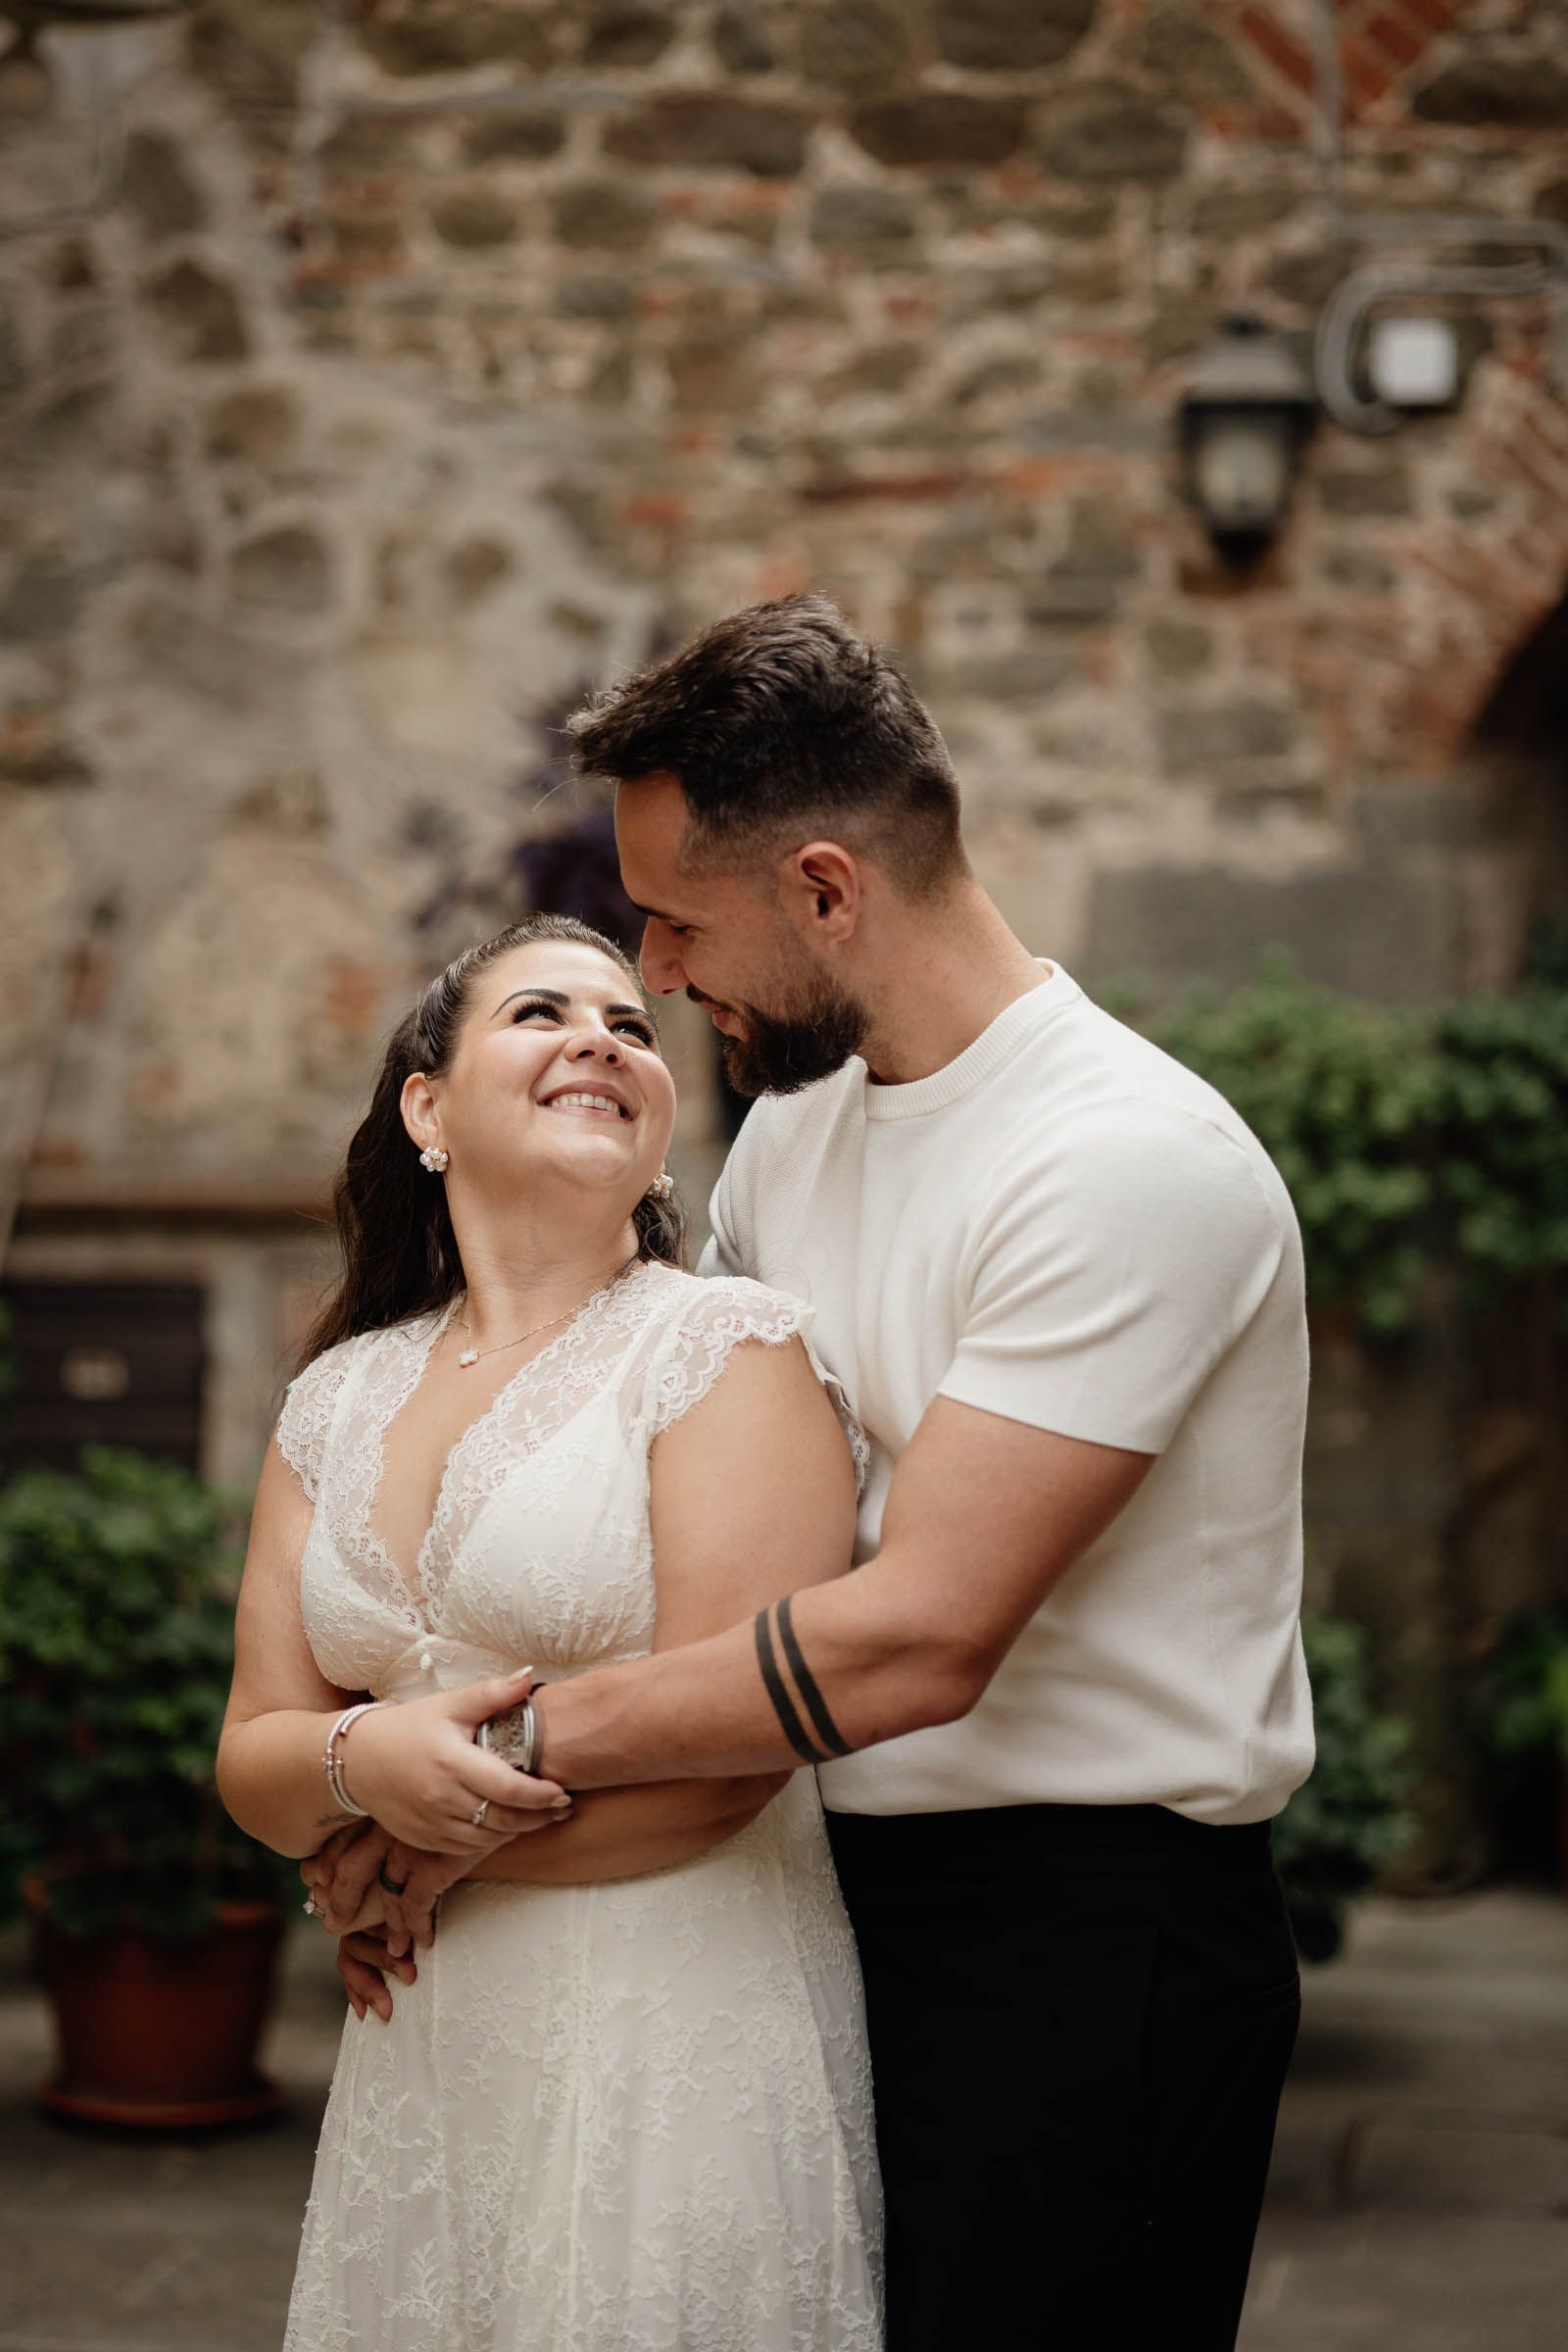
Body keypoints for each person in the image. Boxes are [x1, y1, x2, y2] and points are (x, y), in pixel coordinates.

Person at [326, 596, 1315, 2352]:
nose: (668, 973)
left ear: (829, 888)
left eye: (684, 925)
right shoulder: (792, 1134)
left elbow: (919, 1640)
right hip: (800, 1903)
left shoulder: (1125, 1161)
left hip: (1079, 1945)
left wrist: (479, 1771)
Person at [216, 912, 883, 2352]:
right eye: (542, 1013)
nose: (603, 1037)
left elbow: (728, 1760)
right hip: (431, 2052)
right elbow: (254, 1759)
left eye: (634, 1027)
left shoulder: (724, 1349)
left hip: (672, 2006)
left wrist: (408, 1868)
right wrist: (358, 1752)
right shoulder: (334, 1398)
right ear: (428, 1109)